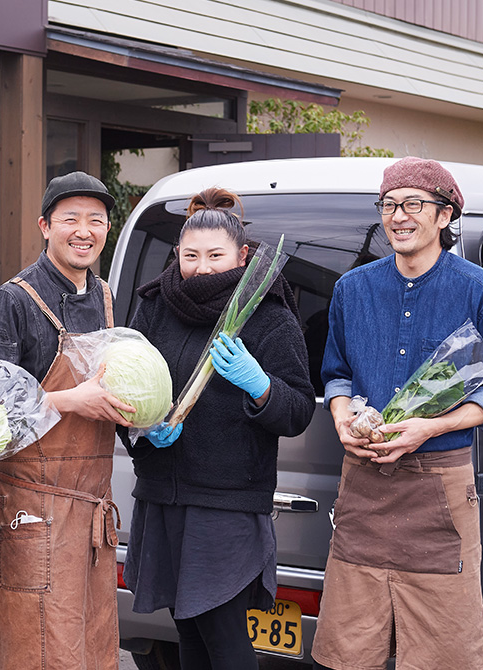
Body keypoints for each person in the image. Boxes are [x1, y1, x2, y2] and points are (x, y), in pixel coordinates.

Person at [121, 188, 315, 670]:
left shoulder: (268, 315)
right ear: (177, 254)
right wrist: (143, 430)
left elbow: (297, 411)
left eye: (215, 255)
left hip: (226, 504)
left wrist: (261, 385)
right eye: (191, 255)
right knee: (186, 629)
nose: (202, 267)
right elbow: (124, 390)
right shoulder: (154, 307)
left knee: (223, 633)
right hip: (164, 495)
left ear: (242, 255)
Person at [312, 156, 483, 670]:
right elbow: (337, 371)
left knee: (443, 650)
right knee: (349, 647)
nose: (398, 216)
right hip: (364, 482)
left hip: (439, 487)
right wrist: (342, 414)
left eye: (413, 204)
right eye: (388, 205)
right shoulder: (353, 288)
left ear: (445, 215)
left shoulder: (476, 288)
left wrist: (433, 425)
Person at [0, 171, 136, 670]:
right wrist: (68, 400)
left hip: (93, 519)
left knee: (90, 649)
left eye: (96, 220)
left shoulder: (105, 297)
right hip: (33, 516)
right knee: (32, 651)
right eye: (70, 219)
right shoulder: (12, 302)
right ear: (44, 226)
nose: (84, 231)